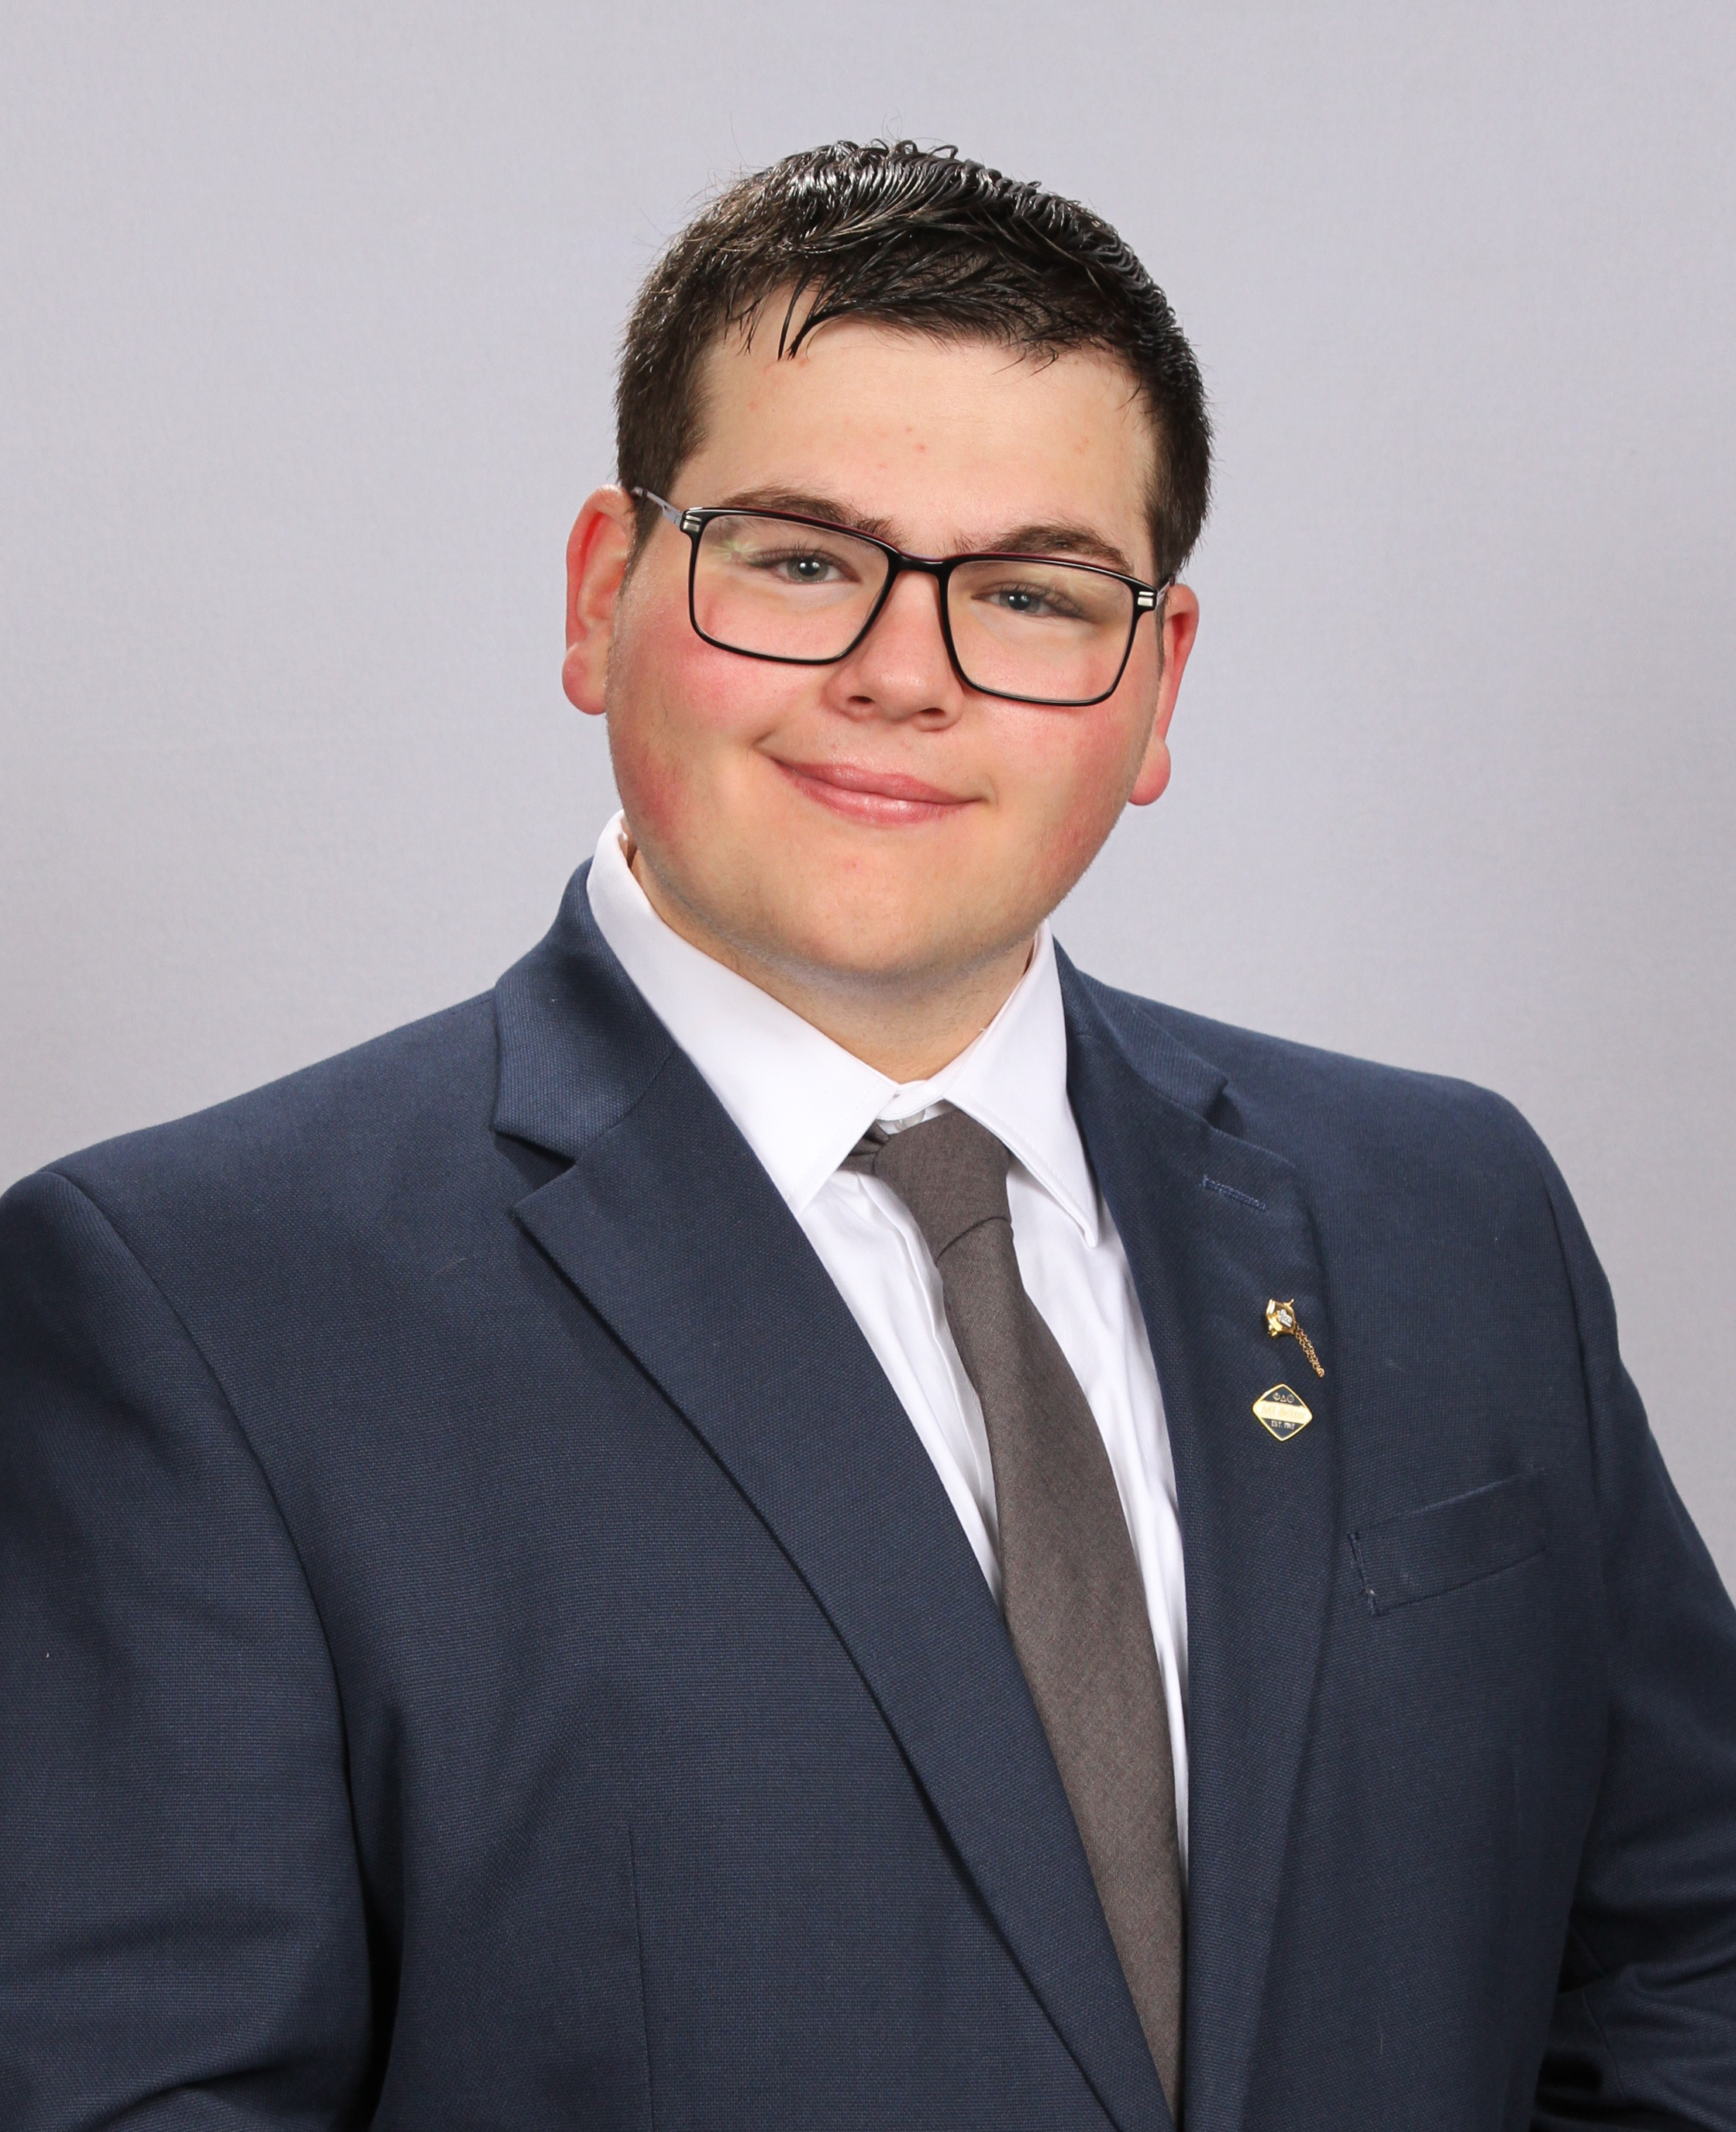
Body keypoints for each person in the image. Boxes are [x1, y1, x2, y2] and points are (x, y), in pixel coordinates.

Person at [2, 138, 1733, 2132]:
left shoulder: (1448, 1214)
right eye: (802, 560)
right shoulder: (200, 1307)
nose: (903, 675)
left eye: (1030, 592)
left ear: (1154, 681)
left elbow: (1689, 1952)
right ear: (603, 594)